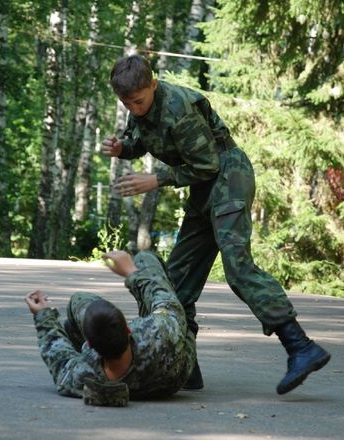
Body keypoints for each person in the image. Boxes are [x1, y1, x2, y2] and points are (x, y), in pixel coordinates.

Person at [101, 54, 331, 395]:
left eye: (138, 100)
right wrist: (122, 149)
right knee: (177, 279)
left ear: (153, 84)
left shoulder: (178, 109)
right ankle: (184, 365)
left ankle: (301, 346)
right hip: (204, 188)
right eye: (126, 103)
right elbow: (140, 139)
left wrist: (157, 180)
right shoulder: (141, 107)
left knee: (237, 267)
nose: (134, 108)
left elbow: (207, 164)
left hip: (228, 177)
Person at [24, 250, 196, 407]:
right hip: (175, 368)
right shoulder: (157, 332)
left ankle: (95, 333)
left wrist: (43, 314)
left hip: (153, 381)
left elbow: (58, 356)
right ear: (128, 329)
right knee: (144, 258)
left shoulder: (84, 376)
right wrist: (132, 273)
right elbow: (167, 300)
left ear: (89, 345)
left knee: (78, 301)